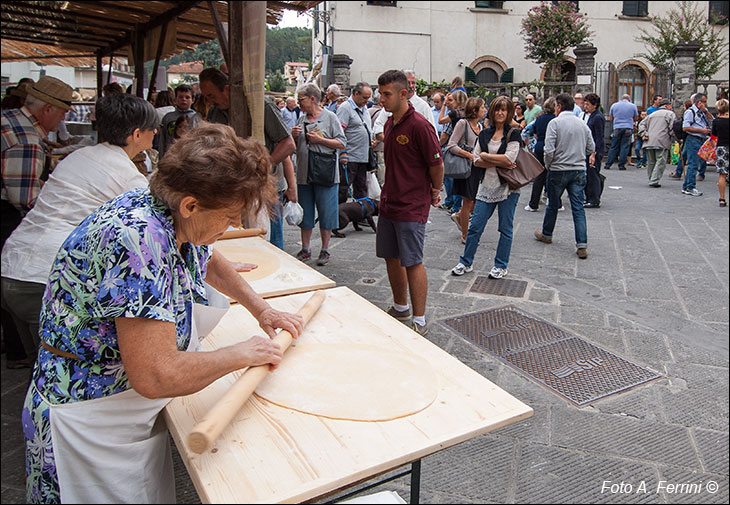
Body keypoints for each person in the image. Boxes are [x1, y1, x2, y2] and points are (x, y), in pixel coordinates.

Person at [21, 122, 303, 504]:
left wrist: (262, 309)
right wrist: (240, 354)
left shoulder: (170, 210)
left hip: (122, 408)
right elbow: (155, 374)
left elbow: (206, 255)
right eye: (229, 215)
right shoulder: (136, 240)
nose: (234, 225)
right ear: (191, 204)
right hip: (88, 418)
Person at [1, 94, 156, 366]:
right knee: (60, 366)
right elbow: (154, 231)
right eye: (152, 128)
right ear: (136, 134)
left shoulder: (79, 156)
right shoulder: (126, 175)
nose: (156, 132)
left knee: (41, 361)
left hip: (11, 266)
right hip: (42, 278)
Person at [375, 70, 443, 336]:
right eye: (381, 93)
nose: (382, 99)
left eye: (386, 94)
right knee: (391, 257)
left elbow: (436, 165)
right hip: (389, 201)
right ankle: (400, 306)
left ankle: (420, 318)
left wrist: (435, 191)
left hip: (411, 205)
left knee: (412, 260)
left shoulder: (420, 125)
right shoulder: (389, 123)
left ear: (404, 94)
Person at [198, 68, 296, 247]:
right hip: (234, 187)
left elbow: (288, 144)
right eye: (206, 97)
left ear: (226, 89)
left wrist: (261, 167)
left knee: (271, 242)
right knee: (241, 240)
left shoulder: (261, 106)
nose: (209, 101)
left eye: (211, 95)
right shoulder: (215, 113)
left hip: (265, 185)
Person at [451, 95, 521, 279]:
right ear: (492, 111)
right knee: (475, 227)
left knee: (505, 229)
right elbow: (475, 160)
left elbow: (510, 158)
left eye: (503, 109)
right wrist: (496, 160)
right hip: (486, 187)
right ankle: (466, 262)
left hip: (507, 189)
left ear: (508, 113)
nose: (499, 112)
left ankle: (500, 265)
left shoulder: (514, 133)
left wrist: (486, 156)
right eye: (497, 109)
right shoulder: (484, 134)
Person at [291, 83, 346, 265]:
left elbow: (341, 142)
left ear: (312, 99)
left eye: (302, 100)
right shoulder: (301, 119)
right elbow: (293, 147)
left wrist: (320, 140)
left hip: (325, 173)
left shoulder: (330, 117)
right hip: (304, 174)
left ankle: (325, 249)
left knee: (326, 212)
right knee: (305, 213)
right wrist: (293, 136)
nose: (300, 104)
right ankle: (306, 248)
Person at [534, 93, 595, 259]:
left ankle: (547, 234)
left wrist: (549, 164)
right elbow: (591, 147)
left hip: (558, 169)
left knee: (553, 204)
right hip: (578, 169)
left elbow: (549, 149)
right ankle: (582, 244)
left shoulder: (555, 123)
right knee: (578, 208)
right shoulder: (582, 124)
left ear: (559, 106)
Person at [448, 97, 486, 244]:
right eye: (482, 107)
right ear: (475, 110)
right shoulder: (462, 123)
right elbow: (451, 145)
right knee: (468, 201)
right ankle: (465, 234)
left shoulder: (481, 127)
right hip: (465, 168)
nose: (485, 110)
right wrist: (469, 154)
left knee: (475, 201)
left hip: (477, 168)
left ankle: (459, 217)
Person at [336, 82, 373, 202]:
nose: (367, 101)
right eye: (365, 97)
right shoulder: (345, 108)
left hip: (362, 157)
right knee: (343, 188)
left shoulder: (364, 108)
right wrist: (343, 152)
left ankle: (361, 214)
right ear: (356, 94)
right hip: (349, 157)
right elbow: (339, 132)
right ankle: (338, 215)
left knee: (361, 187)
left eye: (368, 98)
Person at [525, 97, 557, 212]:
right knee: (553, 175)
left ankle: (533, 203)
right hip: (552, 148)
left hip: (539, 147)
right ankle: (554, 201)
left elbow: (530, 132)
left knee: (539, 176)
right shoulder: (555, 119)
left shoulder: (539, 119)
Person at [438, 91, 466, 214]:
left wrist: (443, 106)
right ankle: (456, 204)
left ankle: (454, 204)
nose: (448, 103)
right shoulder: (466, 114)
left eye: (451, 100)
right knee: (459, 177)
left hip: (452, 148)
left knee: (450, 177)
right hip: (463, 148)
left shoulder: (454, 114)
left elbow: (441, 122)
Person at [638, 98, 675, 188]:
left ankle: (651, 178)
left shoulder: (652, 114)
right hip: (662, 140)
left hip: (649, 140)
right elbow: (672, 127)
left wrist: (644, 133)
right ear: (667, 105)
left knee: (651, 161)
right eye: (670, 105)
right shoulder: (670, 114)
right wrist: (673, 136)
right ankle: (654, 180)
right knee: (660, 161)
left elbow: (641, 124)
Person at [158, 84, 202, 158]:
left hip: (190, 156)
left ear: (193, 100)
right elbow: (162, 139)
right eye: (180, 97)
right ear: (175, 99)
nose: (184, 99)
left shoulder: (197, 118)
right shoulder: (168, 117)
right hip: (171, 155)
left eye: (187, 97)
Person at [681, 93, 711, 197]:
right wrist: (701, 130)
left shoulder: (701, 112)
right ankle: (690, 186)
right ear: (699, 102)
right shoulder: (690, 112)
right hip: (693, 139)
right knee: (693, 164)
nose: (706, 104)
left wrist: (706, 111)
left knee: (694, 163)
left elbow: (712, 120)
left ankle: (686, 186)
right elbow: (685, 127)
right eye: (705, 102)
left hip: (700, 139)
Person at [582, 93, 606, 208]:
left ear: (595, 105)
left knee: (593, 174)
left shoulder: (598, 117)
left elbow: (599, 137)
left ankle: (594, 198)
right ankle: (589, 196)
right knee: (589, 173)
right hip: (588, 149)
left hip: (595, 150)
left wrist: (594, 153)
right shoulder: (589, 116)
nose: (586, 106)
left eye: (588, 104)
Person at [605, 94, 638, 170]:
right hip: (628, 128)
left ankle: (608, 164)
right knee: (625, 146)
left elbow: (610, 118)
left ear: (621, 99)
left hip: (617, 128)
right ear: (629, 99)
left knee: (614, 146)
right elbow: (636, 118)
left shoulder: (614, 105)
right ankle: (621, 165)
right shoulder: (633, 106)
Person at [712, 98, 729, 207]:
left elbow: (714, 135)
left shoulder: (716, 121)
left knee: (722, 175)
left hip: (722, 147)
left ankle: (722, 198)